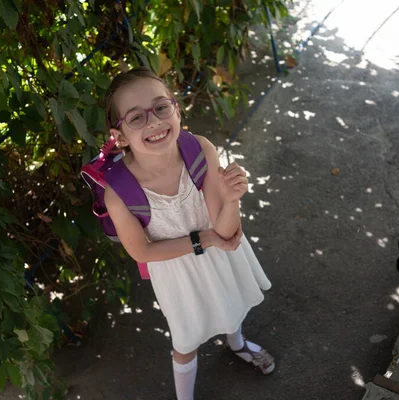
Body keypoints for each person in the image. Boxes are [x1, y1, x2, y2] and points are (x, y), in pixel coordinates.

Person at [103, 67, 273, 400]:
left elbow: (224, 230)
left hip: (219, 251)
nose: (154, 122)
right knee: (185, 341)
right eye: (136, 118)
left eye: (161, 107)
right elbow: (143, 252)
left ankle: (237, 344)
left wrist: (232, 199)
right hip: (176, 273)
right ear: (119, 136)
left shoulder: (200, 148)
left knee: (230, 301)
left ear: (176, 108)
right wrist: (204, 240)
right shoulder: (118, 193)